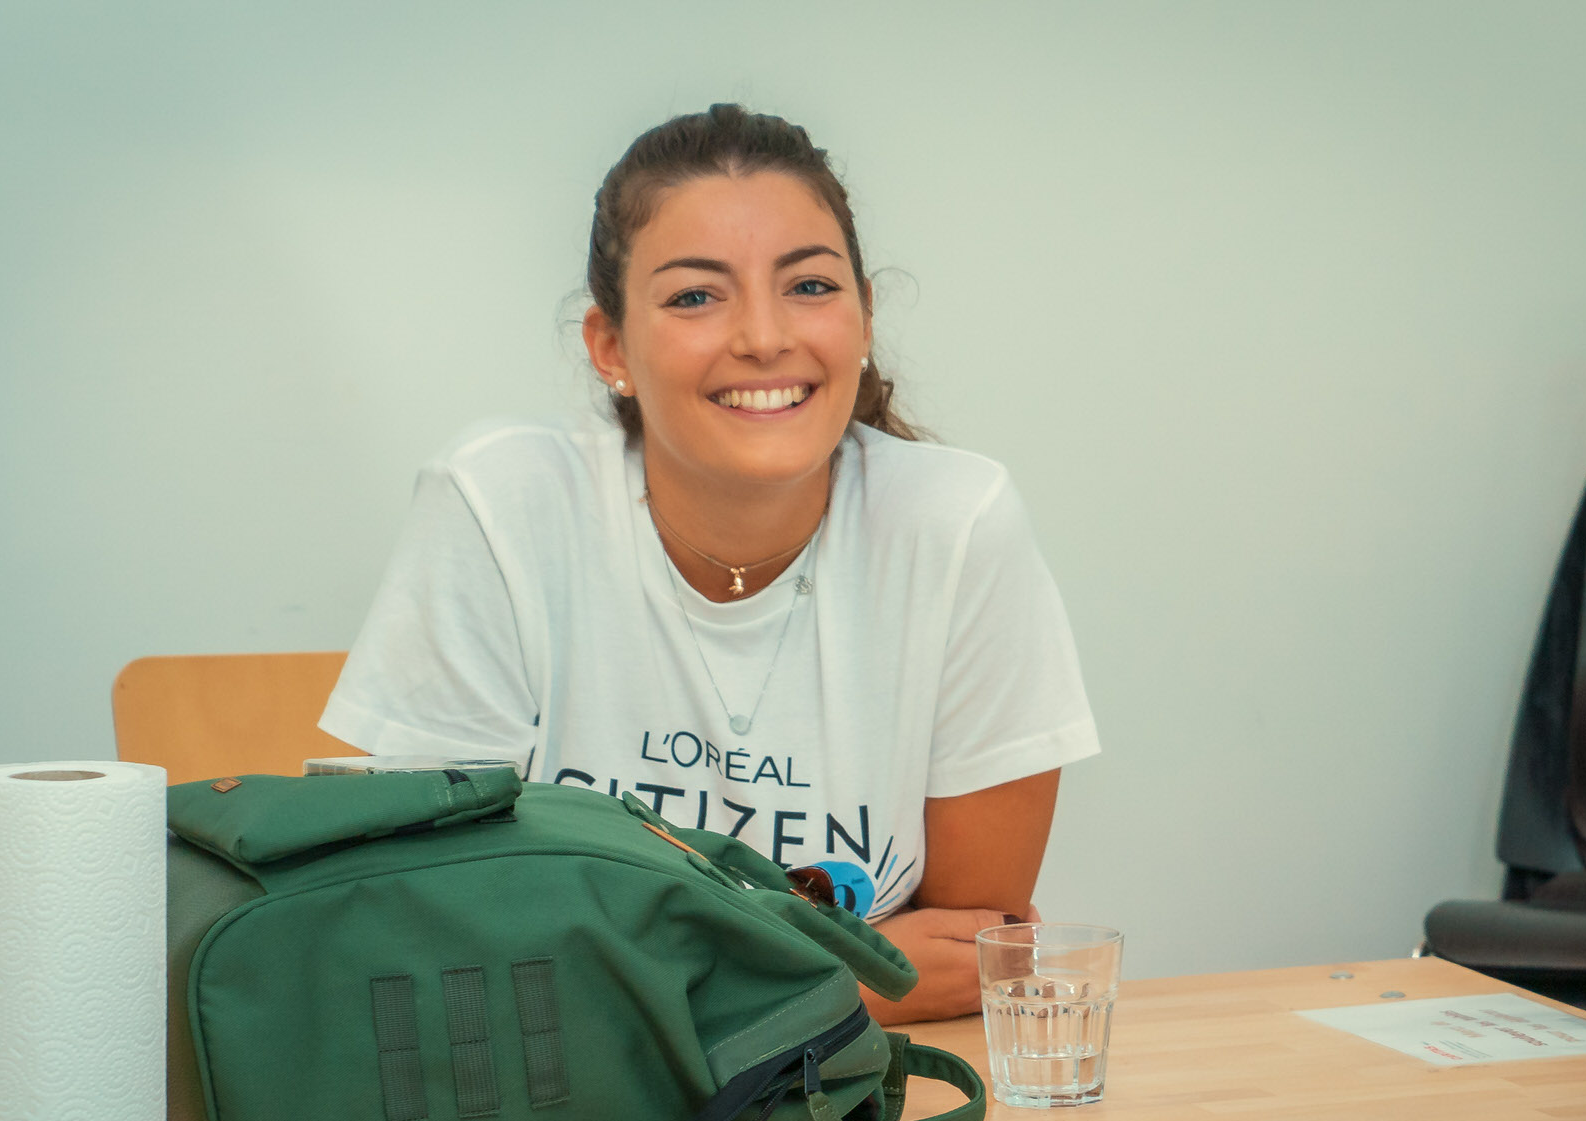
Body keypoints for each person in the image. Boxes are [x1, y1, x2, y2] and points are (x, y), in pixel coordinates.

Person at [324, 103, 1097, 1032]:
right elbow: (429, 935)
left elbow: (971, 952)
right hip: (570, 1110)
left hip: (862, 1100)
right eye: (696, 296)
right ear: (611, 346)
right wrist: (832, 984)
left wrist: (624, 978)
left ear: (863, 317)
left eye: (809, 285)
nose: (764, 336)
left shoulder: (956, 523)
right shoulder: (500, 504)